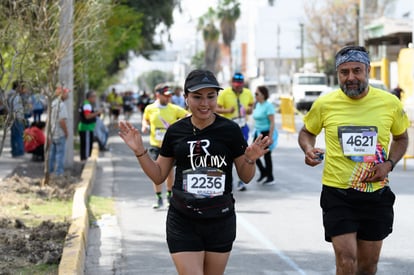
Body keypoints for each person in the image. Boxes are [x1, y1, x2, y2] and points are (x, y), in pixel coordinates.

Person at [119, 69, 270, 275]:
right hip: (183, 219)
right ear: (186, 98)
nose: (205, 103)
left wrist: (250, 158)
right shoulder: (175, 131)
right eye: (197, 97)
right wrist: (140, 151)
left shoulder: (230, 130)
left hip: (220, 219)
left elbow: (245, 176)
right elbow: (158, 175)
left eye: (211, 96)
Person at [298, 45, 409, 275]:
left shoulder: (389, 103)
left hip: (375, 194)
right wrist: (308, 149)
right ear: (337, 74)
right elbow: (306, 132)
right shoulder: (325, 103)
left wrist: (388, 165)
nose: (350, 77)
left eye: (356, 70)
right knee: (347, 260)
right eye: (344, 72)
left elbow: (401, 138)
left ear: (368, 70)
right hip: (338, 193)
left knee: (368, 266)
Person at [141, 83, 188, 208]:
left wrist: (178, 124)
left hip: (170, 145)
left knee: (169, 172)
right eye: (166, 95)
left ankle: (169, 195)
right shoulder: (150, 108)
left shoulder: (174, 108)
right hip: (155, 144)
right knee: (155, 171)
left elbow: (188, 116)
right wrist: (144, 125)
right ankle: (158, 197)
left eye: (170, 95)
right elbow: (145, 118)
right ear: (158, 95)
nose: (168, 98)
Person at [216, 72, 254, 191]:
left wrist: (248, 110)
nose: (238, 87)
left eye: (240, 84)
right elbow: (215, 108)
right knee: (227, 156)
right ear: (232, 83)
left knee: (243, 154)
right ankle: (228, 181)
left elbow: (251, 106)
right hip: (227, 128)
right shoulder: (224, 93)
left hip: (243, 127)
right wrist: (227, 110)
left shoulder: (247, 93)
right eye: (236, 84)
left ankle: (241, 181)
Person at [252, 85, 276, 185]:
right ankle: (263, 172)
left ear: (263, 94)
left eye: (257, 94)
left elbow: (272, 122)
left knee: (266, 155)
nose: (255, 95)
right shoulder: (257, 105)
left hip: (265, 133)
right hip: (257, 132)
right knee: (253, 154)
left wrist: (270, 136)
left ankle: (270, 176)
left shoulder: (268, 105)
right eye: (255, 94)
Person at [49, 87, 69, 175]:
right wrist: (66, 132)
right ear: (62, 94)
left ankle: (50, 172)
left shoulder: (52, 103)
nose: (67, 95)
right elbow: (62, 121)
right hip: (60, 134)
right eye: (66, 93)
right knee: (60, 154)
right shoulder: (61, 105)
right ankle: (59, 173)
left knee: (52, 155)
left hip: (53, 133)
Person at [78, 90, 102, 161]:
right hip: (86, 128)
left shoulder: (87, 104)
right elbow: (87, 116)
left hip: (87, 128)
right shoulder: (87, 105)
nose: (95, 98)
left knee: (85, 145)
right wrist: (97, 113)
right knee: (86, 147)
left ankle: (85, 159)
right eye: (94, 96)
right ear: (90, 97)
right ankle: (85, 160)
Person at [7, 80, 25, 157]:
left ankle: (15, 151)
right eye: (21, 87)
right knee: (19, 135)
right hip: (17, 118)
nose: (22, 89)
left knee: (14, 136)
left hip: (12, 118)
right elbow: (17, 108)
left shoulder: (10, 95)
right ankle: (19, 151)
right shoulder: (16, 97)